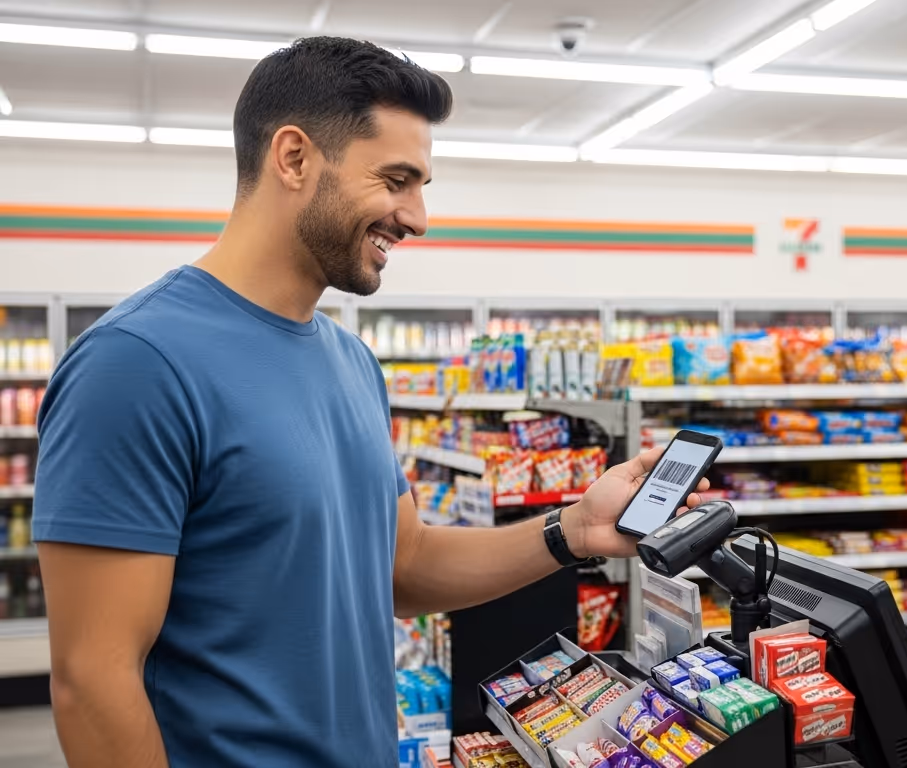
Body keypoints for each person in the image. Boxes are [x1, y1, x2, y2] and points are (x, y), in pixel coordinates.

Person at [32, 37, 708, 768]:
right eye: (396, 180)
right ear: (293, 158)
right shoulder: (137, 364)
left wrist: (573, 530)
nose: (417, 217)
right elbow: (93, 681)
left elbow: (404, 568)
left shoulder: (350, 361)